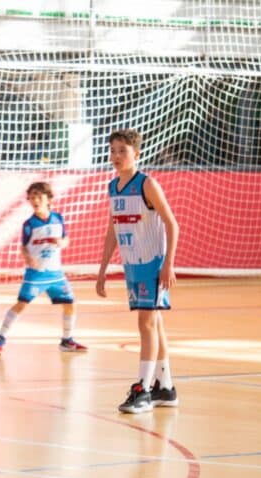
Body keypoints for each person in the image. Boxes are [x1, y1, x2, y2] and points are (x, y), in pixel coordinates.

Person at [96, 129, 180, 413]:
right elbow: (112, 230)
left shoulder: (147, 184)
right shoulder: (113, 187)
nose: (116, 155)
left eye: (123, 150)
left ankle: (142, 389)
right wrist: (102, 270)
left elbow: (172, 224)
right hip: (132, 264)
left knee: (146, 324)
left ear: (136, 154)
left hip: (152, 262)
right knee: (154, 323)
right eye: (113, 150)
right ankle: (165, 387)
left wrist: (168, 263)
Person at [0, 181, 87, 354]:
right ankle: (0, 337)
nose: (35, 200)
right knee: (21, 304)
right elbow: (23, 246)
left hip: (56, 274)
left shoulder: (58, 218)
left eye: (39, 197)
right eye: (32, 197)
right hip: (36, 273)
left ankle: (67, 340)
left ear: (49, 199)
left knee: (70, 304)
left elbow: (66, 239)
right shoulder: (29, 224)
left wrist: (62, 242)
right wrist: (28, 258)